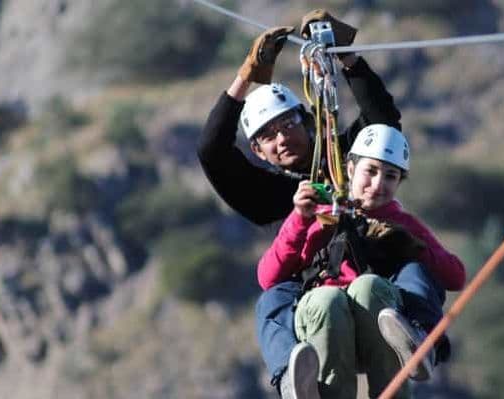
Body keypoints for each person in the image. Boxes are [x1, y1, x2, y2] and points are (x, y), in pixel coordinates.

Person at [197, 10, 449, 397]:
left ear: (308, 122)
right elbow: (212, 151)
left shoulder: (347, 159)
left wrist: (347, 56)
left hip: (378, 295)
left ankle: (418, 340)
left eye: (287, 125)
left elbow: (382, 119)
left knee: (412, 268)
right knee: (274, 300)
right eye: (268, 136)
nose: (281, 138)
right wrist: (247, 78)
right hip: (319, 304)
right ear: (259, 152)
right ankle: (293, 377)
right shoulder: (268, 196)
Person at [258, 124, 466, 399]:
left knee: (372, 286)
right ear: (351, 169)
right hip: (325, 314)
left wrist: (414, 248)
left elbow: (455, 276)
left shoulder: (402, 223)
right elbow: (268, 278)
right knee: (320, 300)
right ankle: (291, 374)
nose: (378, 184)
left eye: (390, 176)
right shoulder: (317, 214)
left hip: (378, 317)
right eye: (371, 171)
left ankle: (419, 341)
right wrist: (299, 220)